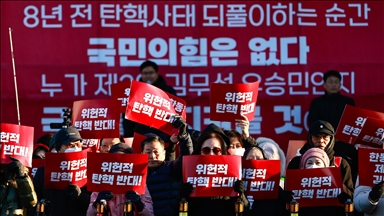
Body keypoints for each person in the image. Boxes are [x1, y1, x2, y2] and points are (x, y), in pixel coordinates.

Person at [179, 123, 249, 216]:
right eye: (206, 150)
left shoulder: (233, 173)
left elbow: (246, 211)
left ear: (223, 151)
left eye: (216, 150)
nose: (211, 154)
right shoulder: (188, 174)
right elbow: (177, 212)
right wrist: (183, 197)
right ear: (200, 151)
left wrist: (241, 195)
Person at [287, 120, 354, 207]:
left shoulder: (341, 163)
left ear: (331, 139)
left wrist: (337, 185)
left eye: (325, 137)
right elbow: (288, 192)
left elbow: (351, 195)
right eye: (316, 137)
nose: (321, 141)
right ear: (310, 139)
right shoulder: (296, 163)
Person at [30, 127, 90, 216]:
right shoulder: (43, 172)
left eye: (78, 145)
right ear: (58, 148)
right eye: (70, 145)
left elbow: (92, 206)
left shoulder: (88, 171)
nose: (75, 148)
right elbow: (33, 204)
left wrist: (80, 197)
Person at [143, 116, 193, 216]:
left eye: (156, 152)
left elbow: (186, 156)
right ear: (141, 153)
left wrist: (183, 135)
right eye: (148, 152)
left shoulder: (171, 168)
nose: (152, 156)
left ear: (164, 154)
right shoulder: (136, 174)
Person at [87, 143, 154, 216]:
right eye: (115, 159)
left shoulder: (139, 184)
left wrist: (139, 205)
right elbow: (89, 214)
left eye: (123, 159)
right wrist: (96, 203)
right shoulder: (100, 184)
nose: (119, 164)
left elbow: (150, 214)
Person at [122, 60, 177, 142]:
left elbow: (175, 116)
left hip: (163, 136)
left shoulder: (168, 92)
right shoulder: (134, 92)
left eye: (151, 73)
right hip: (140, 135)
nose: (148, 76)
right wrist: (128, 139)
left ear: (157, 73)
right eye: (145, 73)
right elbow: (127, 119)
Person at [291, 148, 346, 215]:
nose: (313, 166)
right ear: (303, 167)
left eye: (318, 163)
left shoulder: (334, 185)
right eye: (309, 163)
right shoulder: (296, 185)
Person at [242, 146, 288, 216]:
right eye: (250, 159)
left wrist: (284, 197)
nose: (255, 161)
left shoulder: (273, 185)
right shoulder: (238, 184)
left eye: (258, 158)